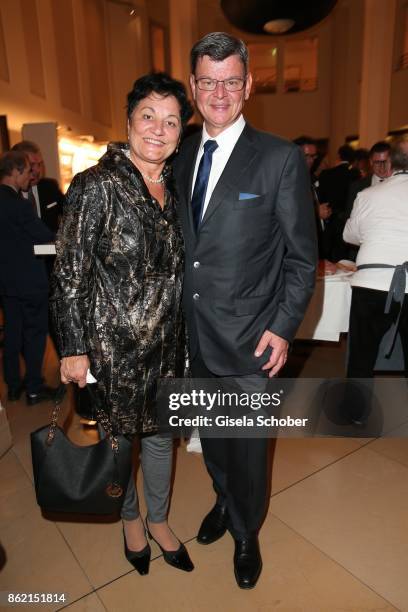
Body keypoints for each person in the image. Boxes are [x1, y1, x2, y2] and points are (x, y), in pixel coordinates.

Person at [173, 32, 317, 589]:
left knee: (250, 450)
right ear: (192, 87)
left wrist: (283, 328)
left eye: (231, 80)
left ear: (248, 85)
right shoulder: (182, 153)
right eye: (207, 81)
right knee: (211, 437)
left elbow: (303, 259)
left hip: (252, 337)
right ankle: (222, 501)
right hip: (195, 334)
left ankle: (247, 531)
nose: (219, 92)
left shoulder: (279, 158)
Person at [50, 73, 194, 576]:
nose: (159, 128)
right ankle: (130, 518)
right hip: (113, 349)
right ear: (129, 120)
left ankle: (159, 518)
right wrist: (73, 349)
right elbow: (69, 274)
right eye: (148, 115)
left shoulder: (177, 192)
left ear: (181, 132)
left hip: (167, 347)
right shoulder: (96, 185)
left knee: (159, 439)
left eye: (171, 119)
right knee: (121, 441)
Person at [343, 135, 408, 380]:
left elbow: (350, 235)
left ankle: (356, 414)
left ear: (391, 164)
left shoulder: (368, 195)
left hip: (371, 283)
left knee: (362, 355)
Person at [0, 151, 57, 404]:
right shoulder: (20, 205)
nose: (29, 177)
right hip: (31, 283)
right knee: (35, 335)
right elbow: (44, 237)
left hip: (5, 282)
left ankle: (13, 386)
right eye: (26, 171)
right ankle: (34, 388)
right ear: (15, 172)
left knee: (12, 333)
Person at [11, 141, 65, 232]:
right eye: (32, 165)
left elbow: (71, 211)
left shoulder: (50, 187)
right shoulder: (8, 193)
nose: (37, 170)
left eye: (39, 164)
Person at [294, 135, 332, 259]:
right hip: (300, 250)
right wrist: (316, 212)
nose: (311, 160)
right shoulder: (289, 179)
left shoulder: (310, 177)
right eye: (306, 156)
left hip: (318, 244)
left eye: (313, 156)